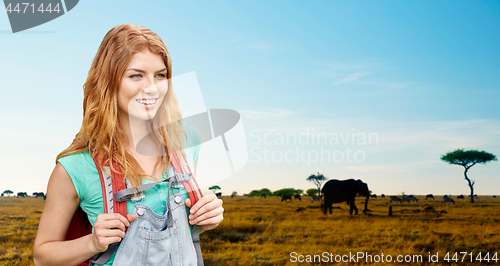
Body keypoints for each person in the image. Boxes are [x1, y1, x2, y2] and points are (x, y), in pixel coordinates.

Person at [33, 24, 224, 266]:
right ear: (109, 82)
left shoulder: (187, 140)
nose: (152, 88)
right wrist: (92, 242)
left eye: (160, 75)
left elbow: (176, 234)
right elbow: (42, 257)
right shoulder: (75, 167)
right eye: (136, 75)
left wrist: (206, 217)